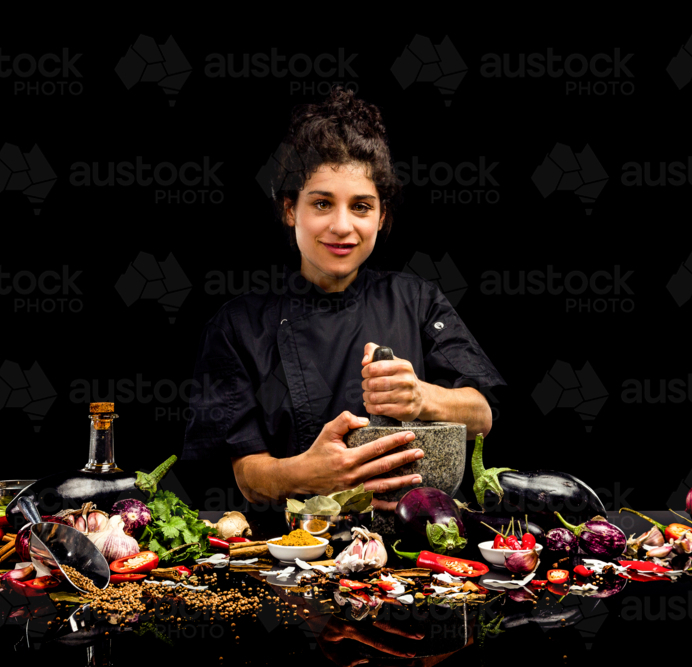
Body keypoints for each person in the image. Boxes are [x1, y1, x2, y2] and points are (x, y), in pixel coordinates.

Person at [184, 88, 504, 512]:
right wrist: (310, 474)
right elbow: (248, 475)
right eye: (321, 203)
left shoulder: (416, 300)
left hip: (416, 545)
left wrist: (422, 398)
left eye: (361, 206)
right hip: (297, 549)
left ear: (381, 215)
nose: (342, 226)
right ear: (289, 209)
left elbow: (482, 415)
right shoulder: (238, 325)